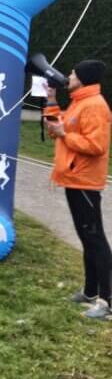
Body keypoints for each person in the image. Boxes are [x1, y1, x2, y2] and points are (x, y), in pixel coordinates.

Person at [43, 60, 112, 319]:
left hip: (84, 180)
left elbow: (97, 145)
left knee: (95, 239)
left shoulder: (95, 105)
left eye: (72, 73)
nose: (68, 76)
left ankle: (107, 303)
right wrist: (51, 100)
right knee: (86, 237)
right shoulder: (80, 101)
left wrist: (64, 134)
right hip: (73, 178)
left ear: (82, 78)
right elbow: (55, 129)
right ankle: (90, 291)